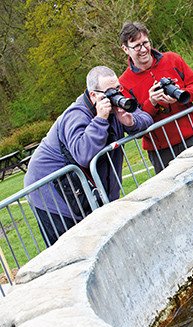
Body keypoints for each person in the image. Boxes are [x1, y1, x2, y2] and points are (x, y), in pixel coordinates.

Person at [24, 66, 153, 246]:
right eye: (110, 92)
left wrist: (131, 122)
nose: (116, 95)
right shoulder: (76, 115)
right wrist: (100, 119)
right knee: (71, 247)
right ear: (93, 95)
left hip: (83, 185)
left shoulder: (117, 106)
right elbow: (83, 154)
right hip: (50, 191)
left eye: (118, 88)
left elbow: (145, 118)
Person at [118, 21, 193, 174]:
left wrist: (180, 94)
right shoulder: (124, 83)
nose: (143, 49)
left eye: (145, 43)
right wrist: (151, 102)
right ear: (125, 49)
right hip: (161, 151)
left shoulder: (172, 59)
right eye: (136, 46)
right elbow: (133, 123)